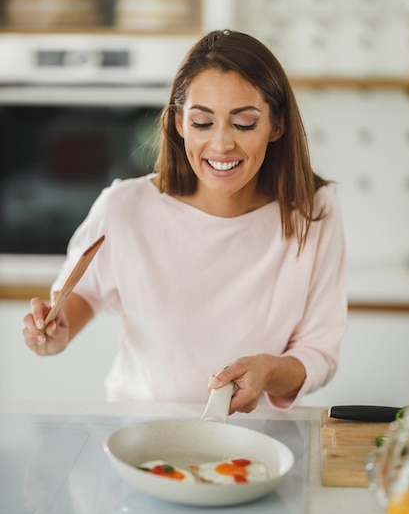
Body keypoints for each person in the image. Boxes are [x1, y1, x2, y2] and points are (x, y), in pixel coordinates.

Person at [22, 29, 347, 414]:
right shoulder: (124, 207)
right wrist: (56, 333)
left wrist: (269, 369)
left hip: (258, 443)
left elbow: (319, 352)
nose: (222, 144)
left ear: (276, 125)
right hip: (141, 434)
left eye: (243, 123)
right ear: (179, 123)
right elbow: (81, 295)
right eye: (202, 123)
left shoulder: (313, 212)